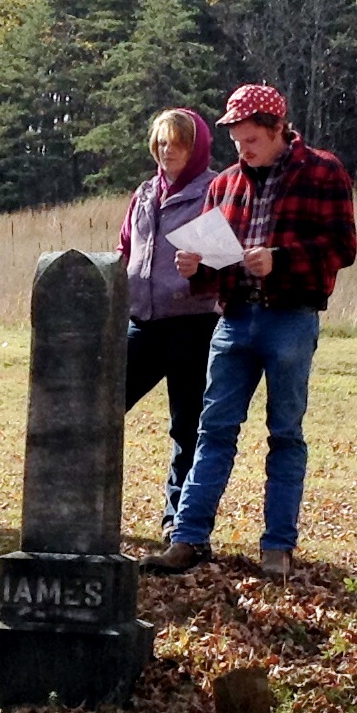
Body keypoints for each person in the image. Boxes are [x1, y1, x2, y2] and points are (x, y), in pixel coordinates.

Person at [141, 84, 357, 581]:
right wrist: (196, 268)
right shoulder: (225, 185)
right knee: (212, 431)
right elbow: (216, 268)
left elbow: (343, 247)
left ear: (279, 130)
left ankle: (277, 548)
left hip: (292, 317)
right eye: (237, 143)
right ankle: (187, 539)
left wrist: (280, 260)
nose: (243, 152)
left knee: (285, 434)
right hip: (234, 318)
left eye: (252, 141)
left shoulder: (324, 171)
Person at [119, 107, 222, 540]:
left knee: (187, 427)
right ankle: (80, 506)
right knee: (101, 407)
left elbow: (224, 259)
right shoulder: (144, 194)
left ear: (195, 148)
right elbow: (125, 248)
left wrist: (200, 267)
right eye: (161, 142)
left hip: (193, 326)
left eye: (178, 142)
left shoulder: (214, 189)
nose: (168, 150)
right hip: (142, 323)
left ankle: (177, 523)